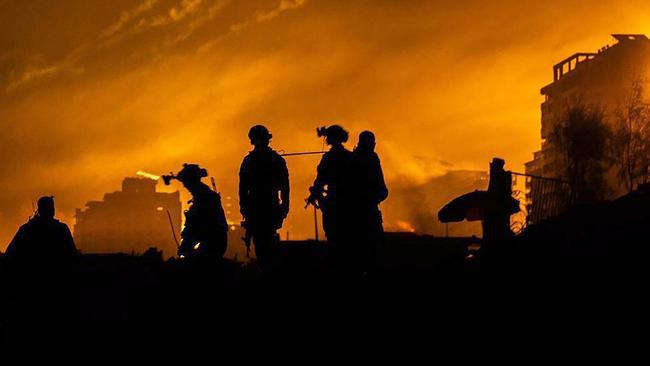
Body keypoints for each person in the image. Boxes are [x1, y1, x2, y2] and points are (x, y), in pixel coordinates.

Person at [239, 125, 290, 271]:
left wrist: (244, 208)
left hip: (262, 208)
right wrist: (285, 207)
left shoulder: (249, 161)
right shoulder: (276, 161)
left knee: (263, 245)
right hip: (264, 207)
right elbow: (285, 187)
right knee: (265, 244)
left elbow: (242, 189)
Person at [306, 125, 353, 271]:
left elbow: (321, 179)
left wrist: (314, 194)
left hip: (334, 202)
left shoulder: (329, 158)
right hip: (350, 202)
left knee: (333, 235)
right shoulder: (350, 157)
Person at [163, 164, 228, 260]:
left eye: (186, 183)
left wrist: (185, 245)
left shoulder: (204, 198)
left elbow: (196, 226)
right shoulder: (205, 195)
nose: (185, 186)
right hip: (214, 243)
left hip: (212, 245)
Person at [350, 131, 388, 276]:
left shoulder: (354, 159)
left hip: (360, 211)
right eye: (372, 143)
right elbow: (382, 189)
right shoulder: (371, 159)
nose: (373, 145)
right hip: (365, 212)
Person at [5, 196, 77, 265]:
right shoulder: (62, 229)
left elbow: (9, 254)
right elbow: (72, 255)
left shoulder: (26, 229)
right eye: (50, 208)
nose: (52, 210)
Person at [483, 158, 514, 246]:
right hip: (499, 204)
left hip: (499, 204)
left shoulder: (500, 174)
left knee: (500, 224)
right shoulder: (501, 174)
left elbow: (505, 189)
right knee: (500, 223)